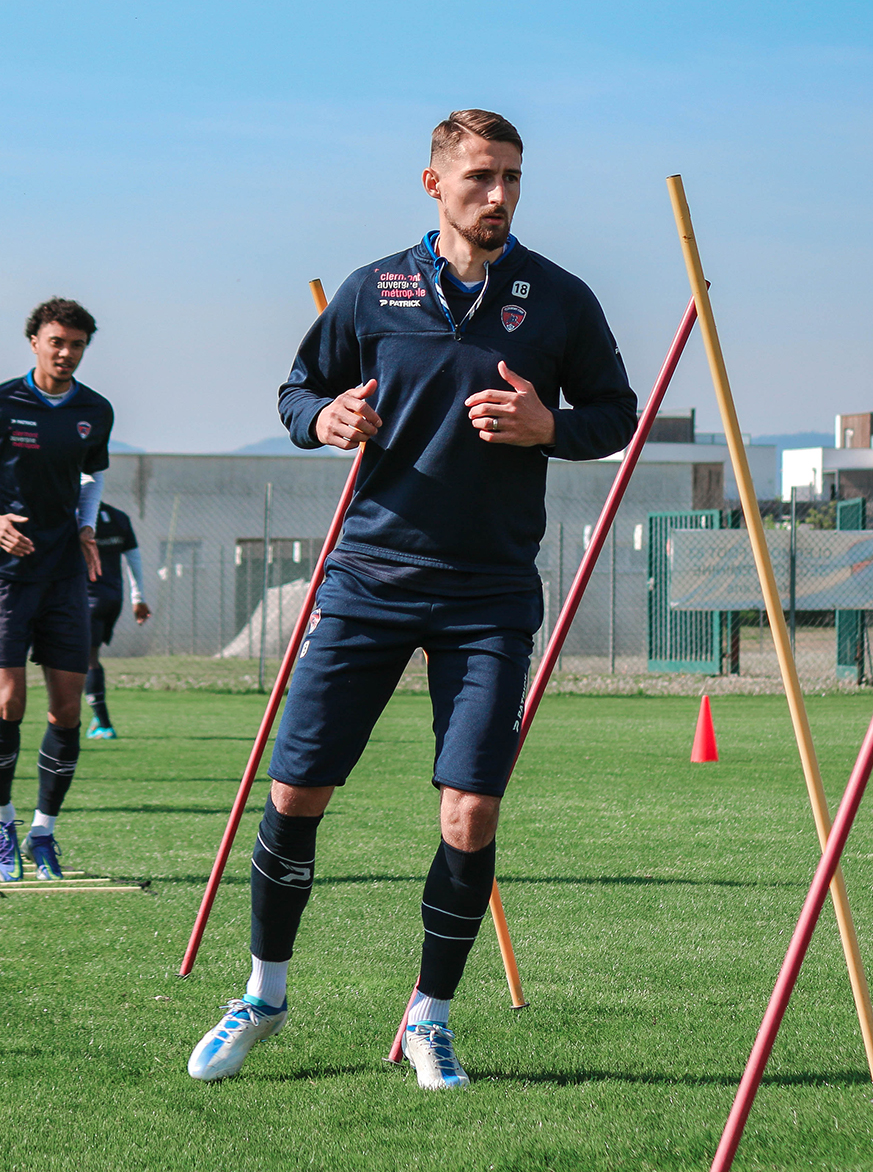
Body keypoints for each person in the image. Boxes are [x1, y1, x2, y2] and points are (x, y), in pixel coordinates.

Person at [187, 109, 636, 1090]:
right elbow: (297, 390)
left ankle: (430, 1020)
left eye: (512, 177)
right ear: (433, 184)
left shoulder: (558, 298)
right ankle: (262, 995)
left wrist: (544, 425)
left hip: (488, 595)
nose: (500, 195)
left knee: (468, 814)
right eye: (479, 177)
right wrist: (327, 416)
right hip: (367, 579)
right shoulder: (374, 288)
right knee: (295, 793)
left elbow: (615, 412)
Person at [0, 297, 112, 882]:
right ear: (34, 340)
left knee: (66, 711)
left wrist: (87, 524)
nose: (66, 353)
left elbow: (92, 472)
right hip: (4, 575)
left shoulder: (95, 410)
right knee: (9, 701)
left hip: (63, 572)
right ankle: (0, 818)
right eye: (57, 341)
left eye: (77, 344)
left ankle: (44, 831)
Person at [83, 498, 150, 740]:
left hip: (84, 599)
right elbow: (134, 559)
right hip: (113, 599)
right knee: (89, 656)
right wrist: (138, 597)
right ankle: (95, 714)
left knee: (85, 659)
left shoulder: (75, 516)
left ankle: (103, 722)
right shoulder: (119, 517)